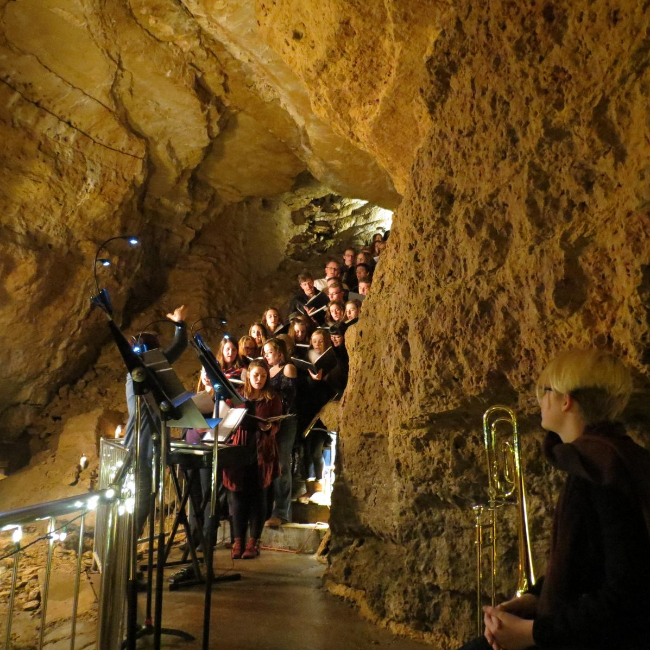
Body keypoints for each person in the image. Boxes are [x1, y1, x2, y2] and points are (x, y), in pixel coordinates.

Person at [461, 349, 650, 650]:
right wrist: (534, 598)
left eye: (545, 391)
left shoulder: (598, 471)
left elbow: (624, 597)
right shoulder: (617, 457)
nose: (540, 401)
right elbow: (589, 568)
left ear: (566, 400)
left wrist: (530, 634)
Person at [124, 306, 188, 537]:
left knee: (146, 496)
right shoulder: (144, 371)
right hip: (141, 443)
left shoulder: (140, 373)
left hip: (146, 441)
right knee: (143, 497)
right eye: (158, 348)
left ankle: (129, 548)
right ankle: (128, 547)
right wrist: (180, 325)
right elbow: (179, 346)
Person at [222, 360, 282, 559]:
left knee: (258, 497)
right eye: (256, 375)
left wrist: (269, 428)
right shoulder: (237, 395)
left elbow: (276, 423)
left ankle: (253, 542)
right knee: (237, 496)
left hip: (261, 450)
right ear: (248, 375)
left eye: (263, 376)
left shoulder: (272, 397)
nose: (259, 379)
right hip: (239, 447)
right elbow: (226, 418)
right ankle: (237, 541)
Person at [261, 339, 298, 528]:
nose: (266, 356)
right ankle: (266, 509)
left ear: (279, 353)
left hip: (285, 421)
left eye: (269, 352)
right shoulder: (266, 372)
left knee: (282, 464)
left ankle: (282, 511)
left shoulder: (288, 369)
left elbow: (288, 398)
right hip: (270, 421)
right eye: (264, 353)